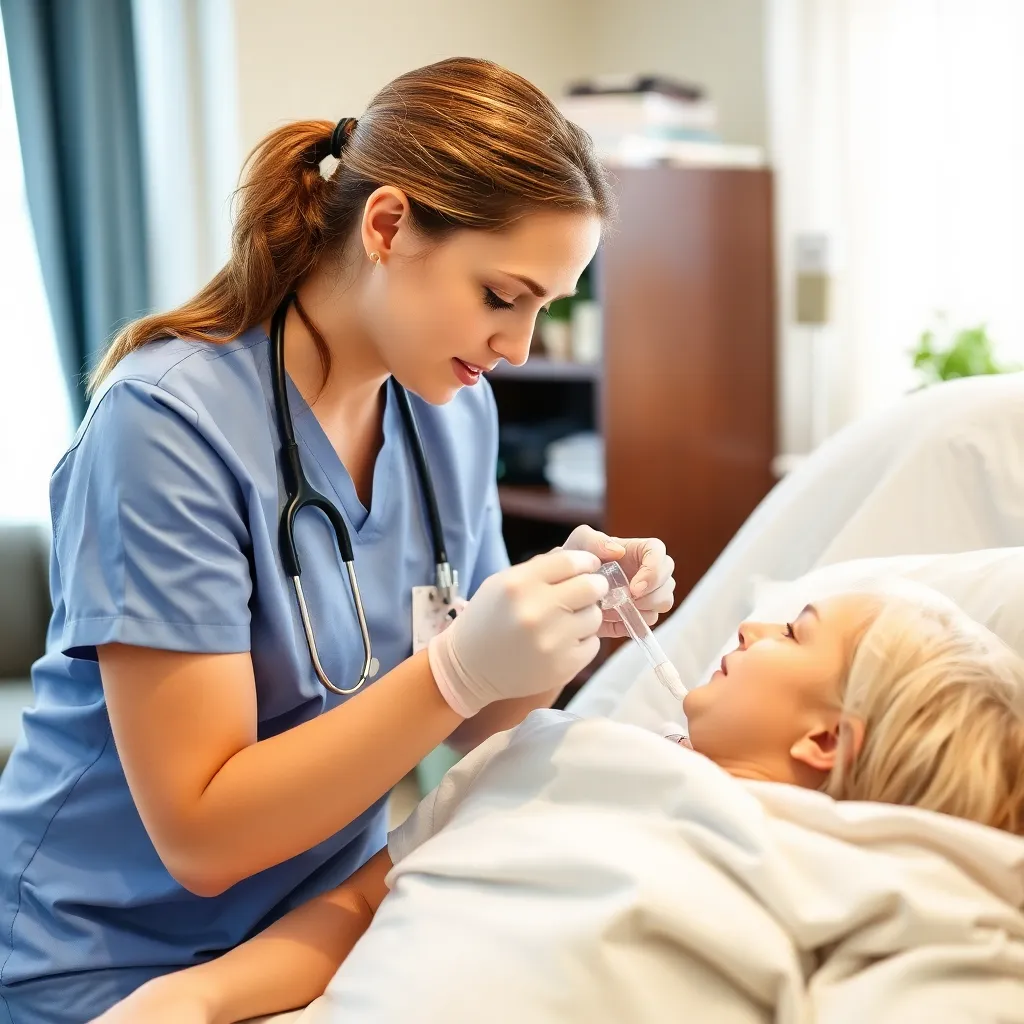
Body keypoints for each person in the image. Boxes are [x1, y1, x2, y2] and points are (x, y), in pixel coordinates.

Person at [0, 57, 678, 1023]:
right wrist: (456, 669)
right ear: (388, 226)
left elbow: (481, 723)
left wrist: (567, 619)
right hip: (102, 961)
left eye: (546, 307)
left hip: (314, 941)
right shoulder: (166, 426)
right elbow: (202, 837)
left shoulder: (451, 413)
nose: (519, 348)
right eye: (502, 296)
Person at [91, 586, 1024, 1023]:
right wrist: (195, 998)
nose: (751, 622)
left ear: (825, 741)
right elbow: (359, 903)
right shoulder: (556, 748)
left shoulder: (837, 871)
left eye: (794, 630)